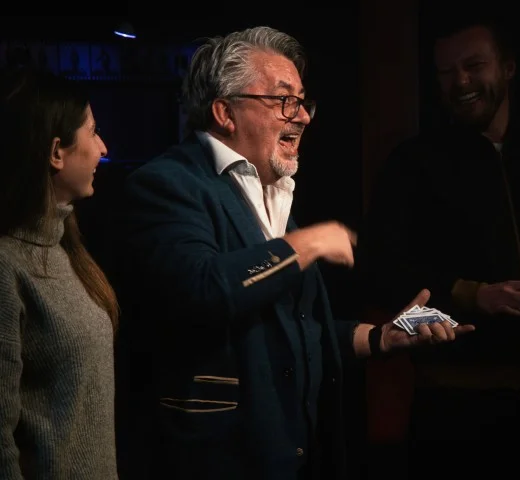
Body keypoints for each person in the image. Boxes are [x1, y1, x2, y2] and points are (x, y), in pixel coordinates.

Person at [112, 25, 474, 480]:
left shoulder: (273, 190)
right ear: (225, 112)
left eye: (303, 102)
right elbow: (201, 289)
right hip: (218, 462)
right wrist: (309, 243)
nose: (302, 116)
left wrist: (381, 338)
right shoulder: (167, 184)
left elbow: (293, 333)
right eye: (284, 100)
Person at [357, 10, 520, 449]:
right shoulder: (413, 164)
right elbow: (381, 271)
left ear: (508, 67)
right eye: (446, 72)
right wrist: (475, 294)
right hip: (454, 402)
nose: (461, 82)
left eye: (474, 65)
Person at [0, 67, 119, 478]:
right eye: (93, 132)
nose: (103, 147)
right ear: (56, 152)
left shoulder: (68, 250)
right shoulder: (7, 266)